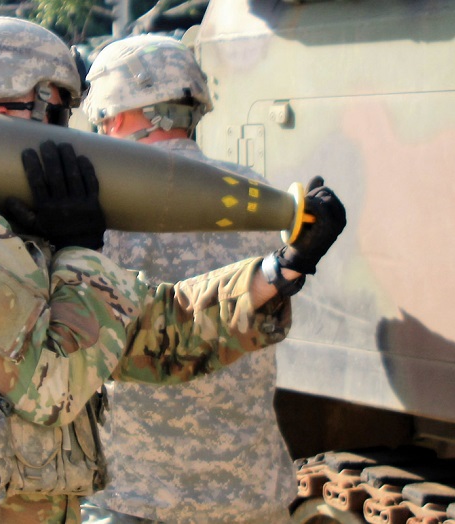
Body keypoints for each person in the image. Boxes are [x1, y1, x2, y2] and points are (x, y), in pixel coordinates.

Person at [0, 17, 346, 524]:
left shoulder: (3, 229)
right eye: (56, 113)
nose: (67, 136)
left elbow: (148, 330)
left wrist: (280, 271)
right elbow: (52, 388)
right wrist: (80, 251)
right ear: (5, 112)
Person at [79, 35, 298, 523]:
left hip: (138, 498)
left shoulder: (100, 207)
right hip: (252, 494)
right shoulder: (253, 192)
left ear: (111, 115)